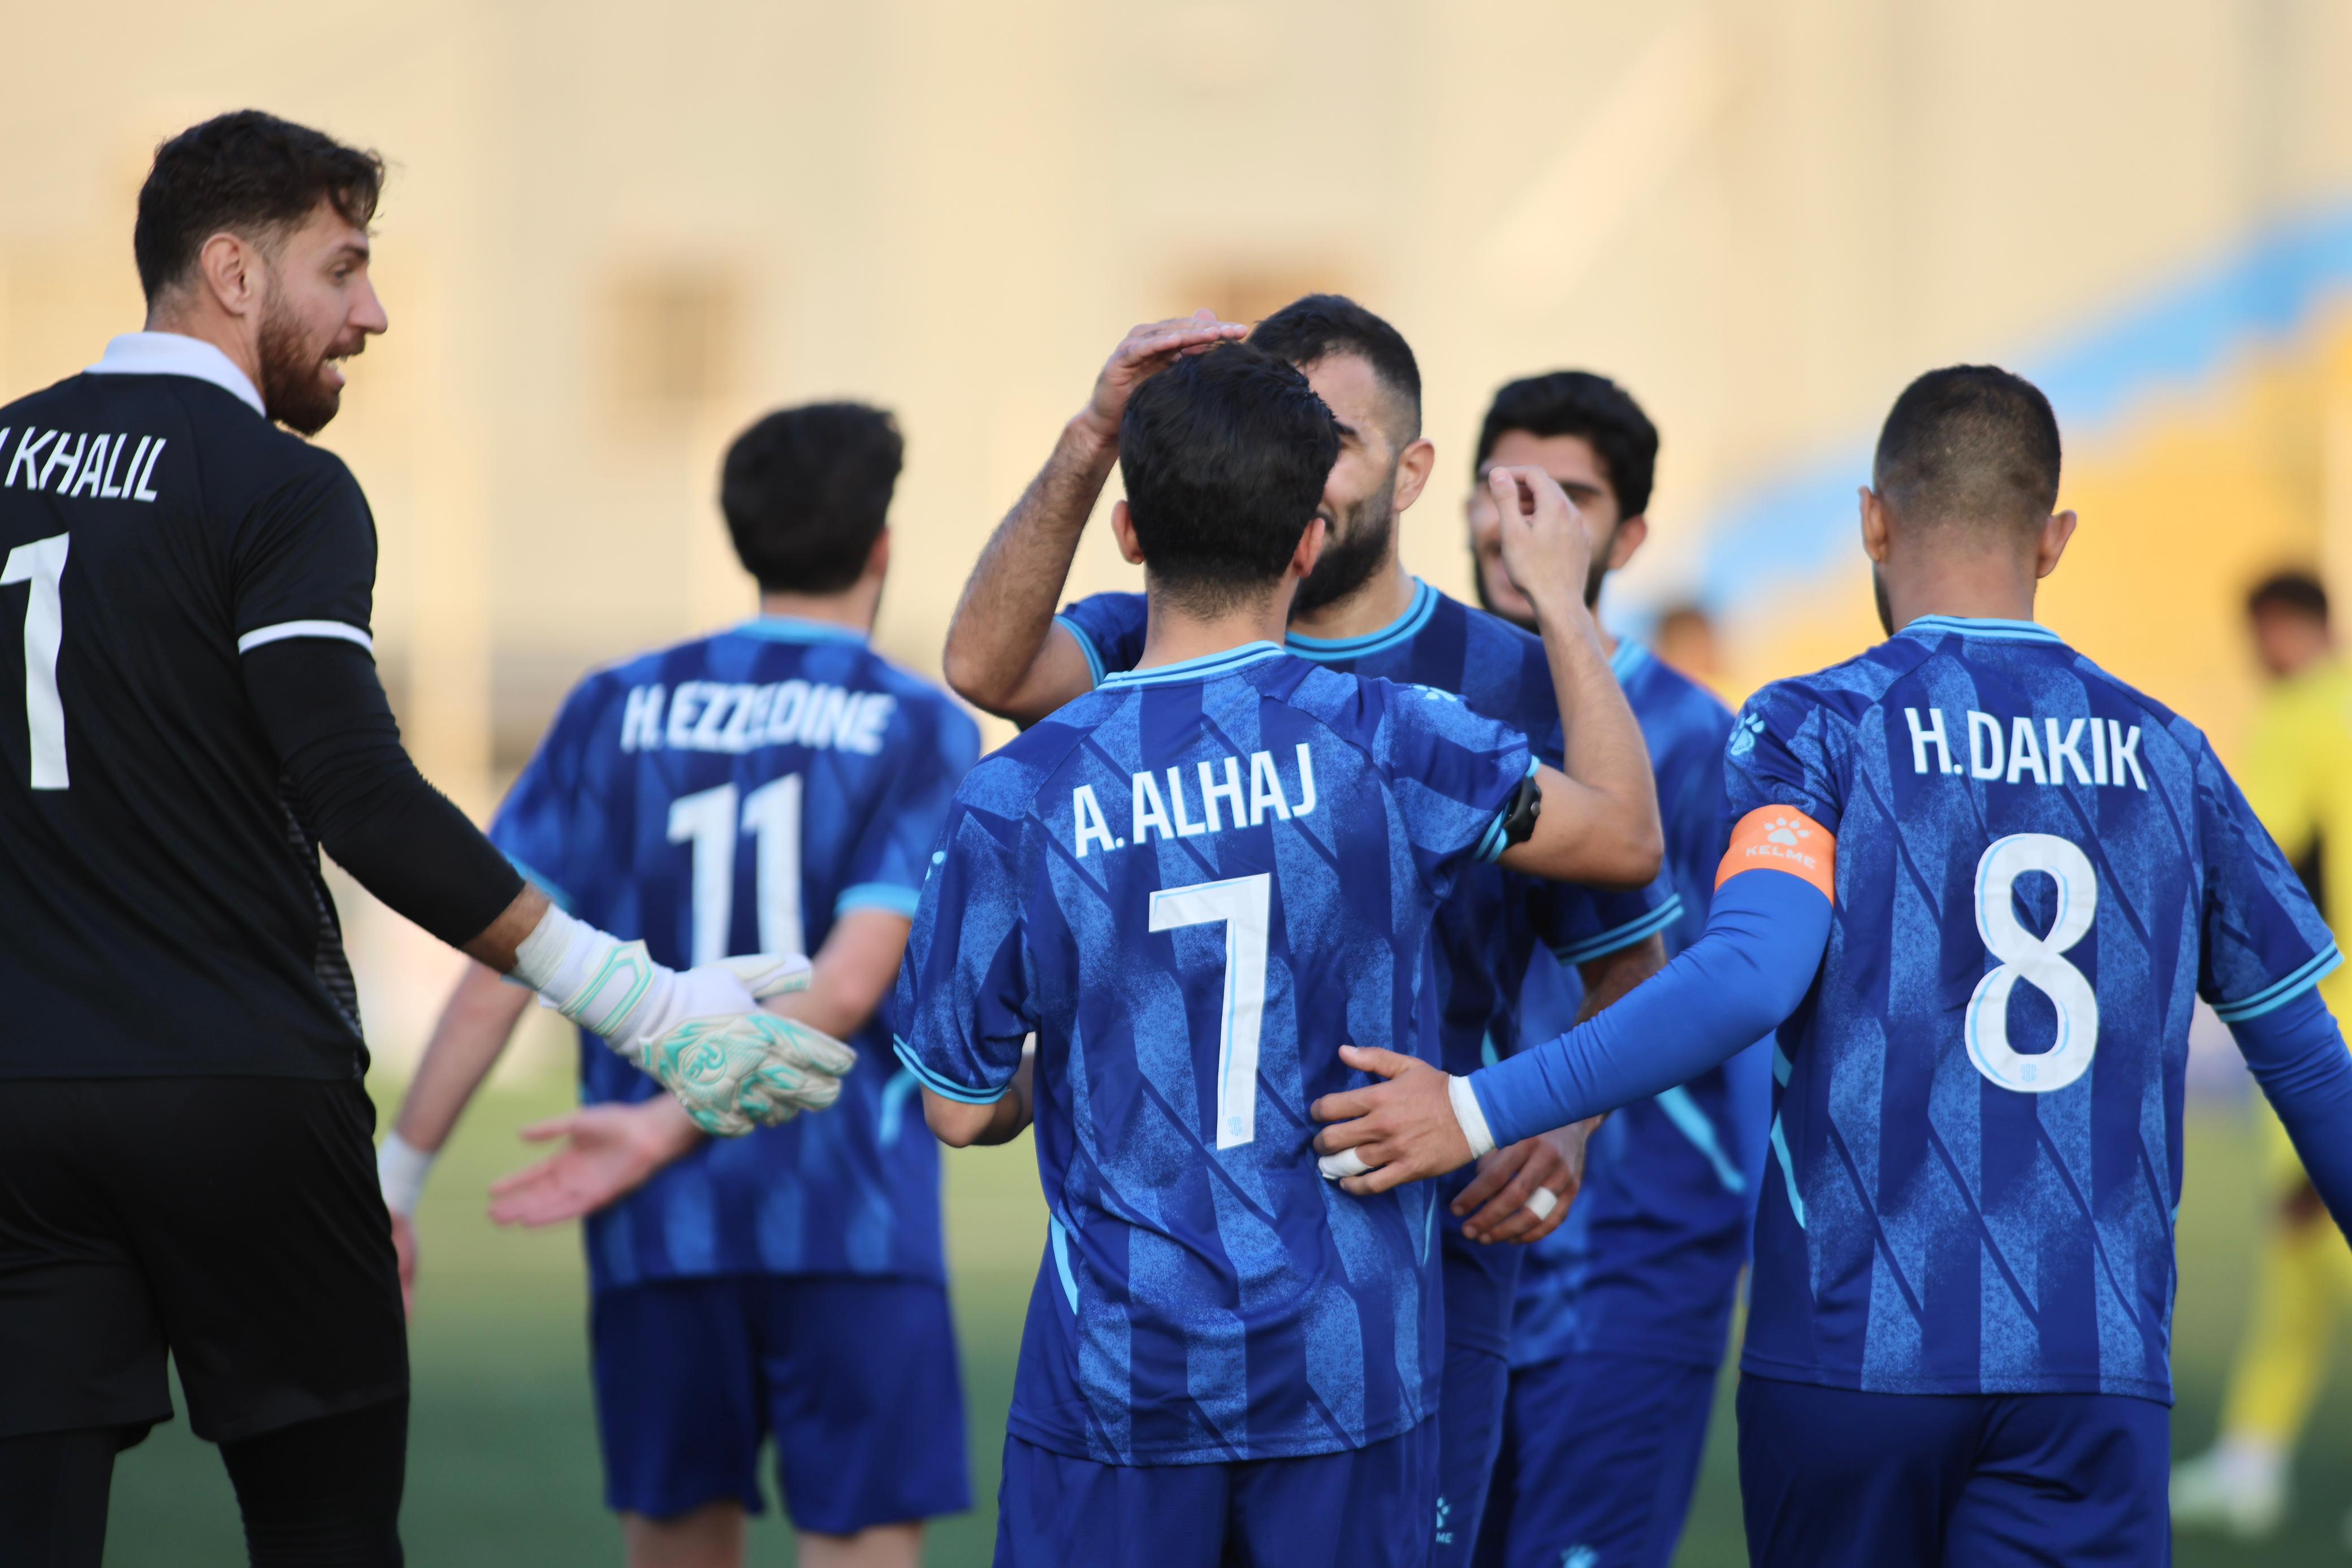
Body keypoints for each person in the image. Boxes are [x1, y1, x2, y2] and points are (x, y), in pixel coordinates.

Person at [1313, 365, 2352, 1565]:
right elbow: (2311, 1067)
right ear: (2054, 540)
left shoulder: (1817, 724)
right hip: (2093, 1362)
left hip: (1857, 1348)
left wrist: (1479, 1102)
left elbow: (1750, 974)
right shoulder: (2174, 754)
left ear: (1872, 520)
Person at [0, 111, 844, 1568]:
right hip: (243, 1088)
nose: (372, 313)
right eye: (345, 268)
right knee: (326, 1536)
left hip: (15, 1098)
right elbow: (358, 790)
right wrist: (636, 999)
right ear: (233, 272)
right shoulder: (278, 485)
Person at [897, 340, 1661, 1567]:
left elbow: (952, 1108)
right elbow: (1625, 837)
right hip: (1347, 1366)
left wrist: (1094, 1059)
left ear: (1131, 536)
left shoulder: (1018, 789)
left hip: (1115, 1383)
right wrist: (1568, 603)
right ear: (1307, 542)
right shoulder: (1398, 738)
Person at [377, 402, 978, 1568]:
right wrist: (664, 1125)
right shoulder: (917, 724)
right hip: (848, 1216)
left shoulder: (614, 704)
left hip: (661, 1233)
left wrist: (398, 1177)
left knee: (676, 1545)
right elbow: (853, 982)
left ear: (740, 539)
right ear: (881, 546)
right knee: (860, 1545)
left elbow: (502, 960)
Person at [1458, 372, 1767, 1568]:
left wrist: (1577, 1117)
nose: (1522, 521)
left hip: (1638, 1242)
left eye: (1566, 496)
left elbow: (1735, 987)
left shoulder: (1700, 743)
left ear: (1628, 535)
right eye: (1502, 490)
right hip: (1453, 1240)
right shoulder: (1420, 703)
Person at [2172, 569, 2352, 1540]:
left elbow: (2261, 867)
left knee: (2319, 1231)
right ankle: (2252, 1457)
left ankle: (2251, 1461)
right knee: (2298, 1260)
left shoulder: (2300, 718)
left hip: (2329, 1025)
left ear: (2282, 626)